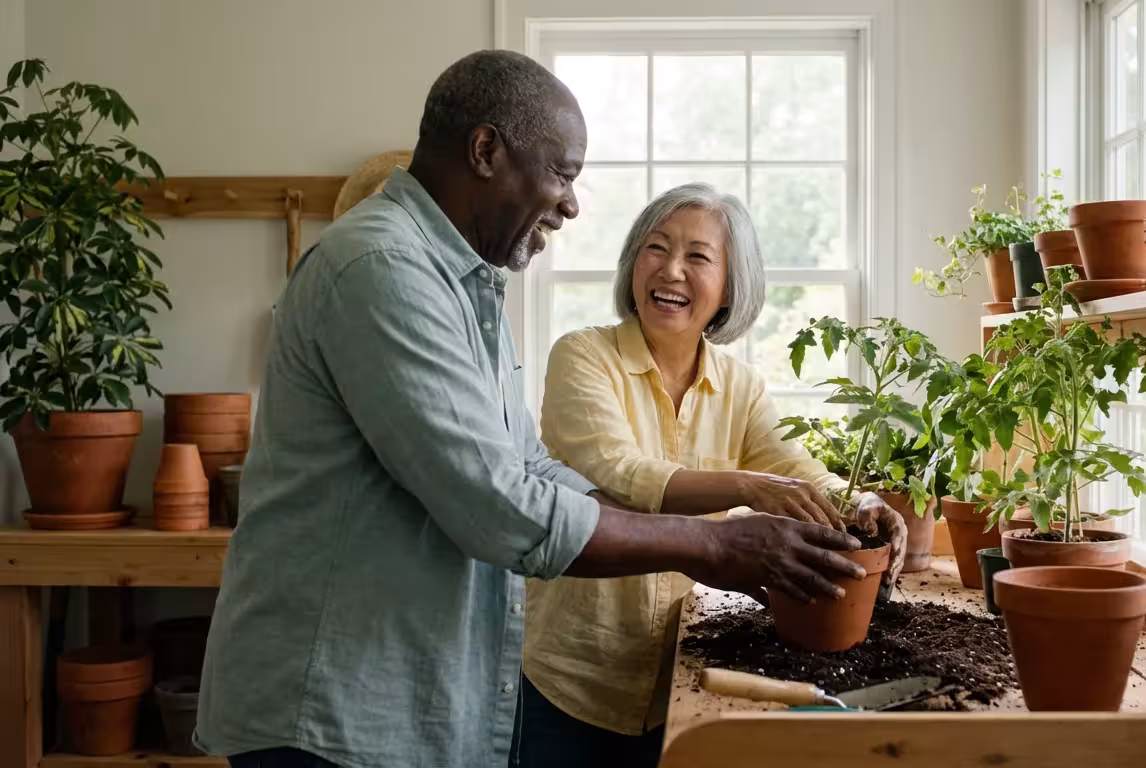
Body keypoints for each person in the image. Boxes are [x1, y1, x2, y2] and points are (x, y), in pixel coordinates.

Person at [194, 51, 868, 768]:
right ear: (486, 151)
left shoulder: (460, 284)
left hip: (400, 699)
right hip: (329, 711)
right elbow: (497, 504)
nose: (573, 205)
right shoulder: (381, 269)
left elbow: (529, 467)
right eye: (563, 173)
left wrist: (731, 533)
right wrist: (715, 544)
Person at [515, 183, 908, 767]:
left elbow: (795, 469)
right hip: (573, 683)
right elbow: (622, 473)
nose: (670, 270)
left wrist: (865, 505)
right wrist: (749, 486)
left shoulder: (740, 386)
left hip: (681, 678)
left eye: (697, 257)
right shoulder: (582, 356)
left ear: (729, 287)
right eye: (655, 248)